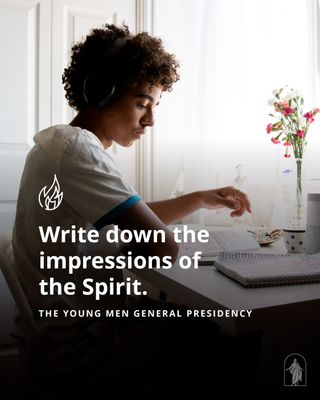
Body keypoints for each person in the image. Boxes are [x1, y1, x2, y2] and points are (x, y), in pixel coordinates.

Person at [12, 24, 252, 398]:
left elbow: (131, 220)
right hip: (84, 340)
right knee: (233, 341)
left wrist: (199, 198)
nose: (151, 120)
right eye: (142, 103)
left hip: (72, 324)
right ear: (100, 92)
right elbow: (163, 247)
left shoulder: (61, 143)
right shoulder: (78, 150)